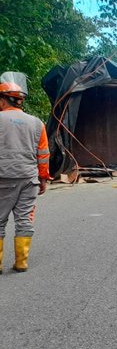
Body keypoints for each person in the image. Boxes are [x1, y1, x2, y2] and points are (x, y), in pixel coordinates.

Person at [0, 71, 51, 274]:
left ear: (3, 100)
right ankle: (21, 262)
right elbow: (44, 154)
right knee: (24, 219)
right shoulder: (37, 123)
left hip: (3, 177)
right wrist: (44, 178)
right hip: (29, 179)